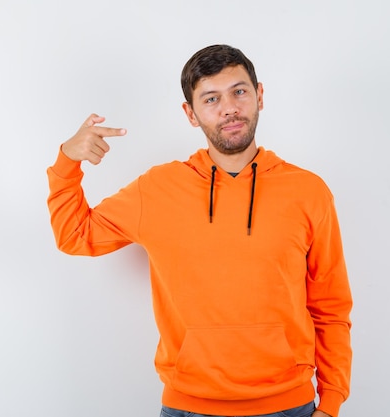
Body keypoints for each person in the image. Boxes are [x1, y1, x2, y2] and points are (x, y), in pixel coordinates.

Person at [47, 44, 352, 417]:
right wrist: (67, 162)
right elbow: (75, 235)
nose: (229, 108)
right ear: (190, 114)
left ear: (259, 95)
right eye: (211, 98)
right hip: (188, 406)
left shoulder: (308, 191)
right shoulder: (157, 189)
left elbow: (330, 305)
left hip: (289, 405)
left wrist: (332, 402)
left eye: (239, 91)